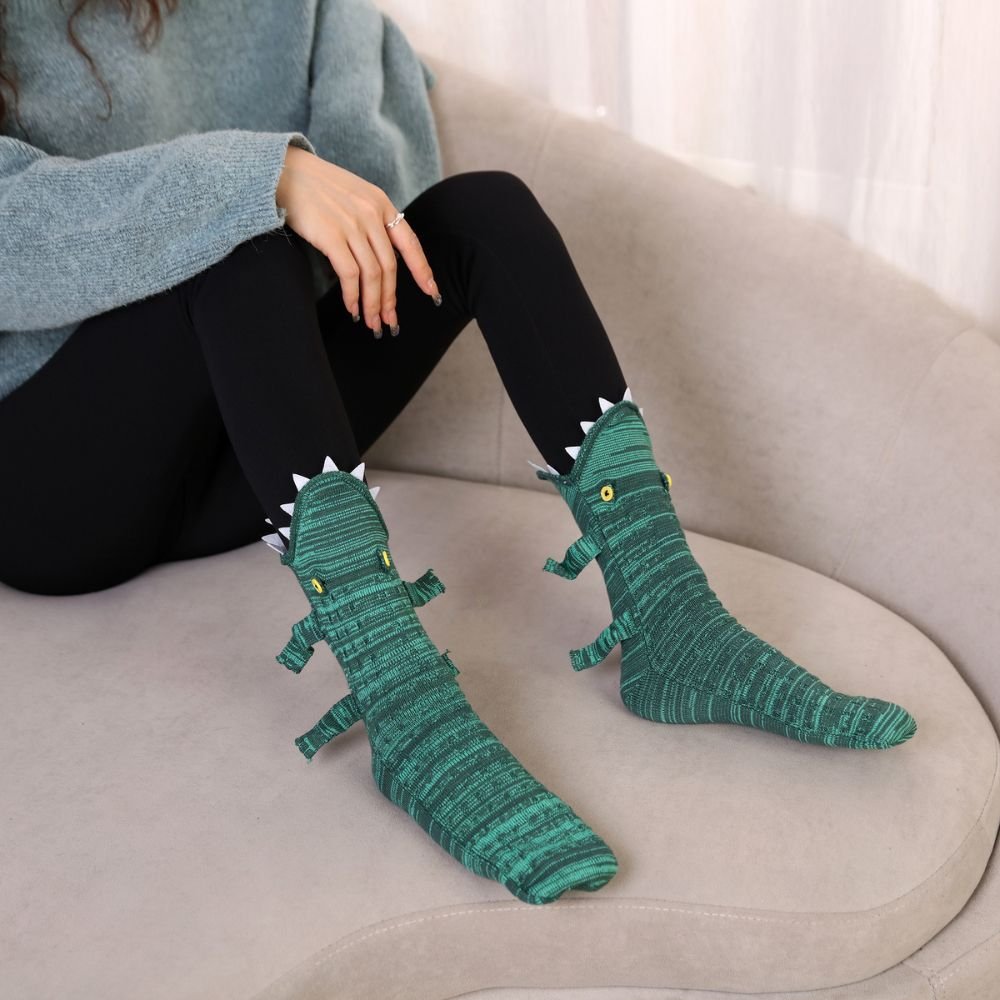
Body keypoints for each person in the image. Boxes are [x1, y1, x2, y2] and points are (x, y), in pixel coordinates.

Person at [0, 0, 916, 907]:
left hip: (245, 453)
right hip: (55, 490)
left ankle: (673, 624)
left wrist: (296, 184)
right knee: (236, 241)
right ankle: (411, 718)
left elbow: (366, 197)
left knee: (486, 212)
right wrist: (259, 177)